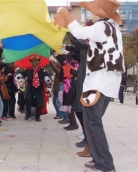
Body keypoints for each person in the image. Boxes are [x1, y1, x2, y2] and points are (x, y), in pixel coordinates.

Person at [55, 0, 125, 171]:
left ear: (100, 13)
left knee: (92, 123)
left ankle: (105, 164)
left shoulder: (102, 26)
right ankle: (98, 159)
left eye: (92, 12)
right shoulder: (113, 27)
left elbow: (79, 32)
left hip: (98, 83)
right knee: (93, 122)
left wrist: (64, 13)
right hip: (107, 83)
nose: (91, 15)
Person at [21, 56, 50, 122]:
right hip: (30, 87)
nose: (34, 65)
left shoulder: (42, 70)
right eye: (33, 64)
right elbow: (21, 75)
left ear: (39, 63)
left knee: (40, 102)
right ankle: (28, 114)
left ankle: (37, 116)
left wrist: (47, 79)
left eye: (36, 64)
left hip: (39, 88)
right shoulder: (28, 70)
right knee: (28, 99)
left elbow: (47, 78)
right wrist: (20, 79)